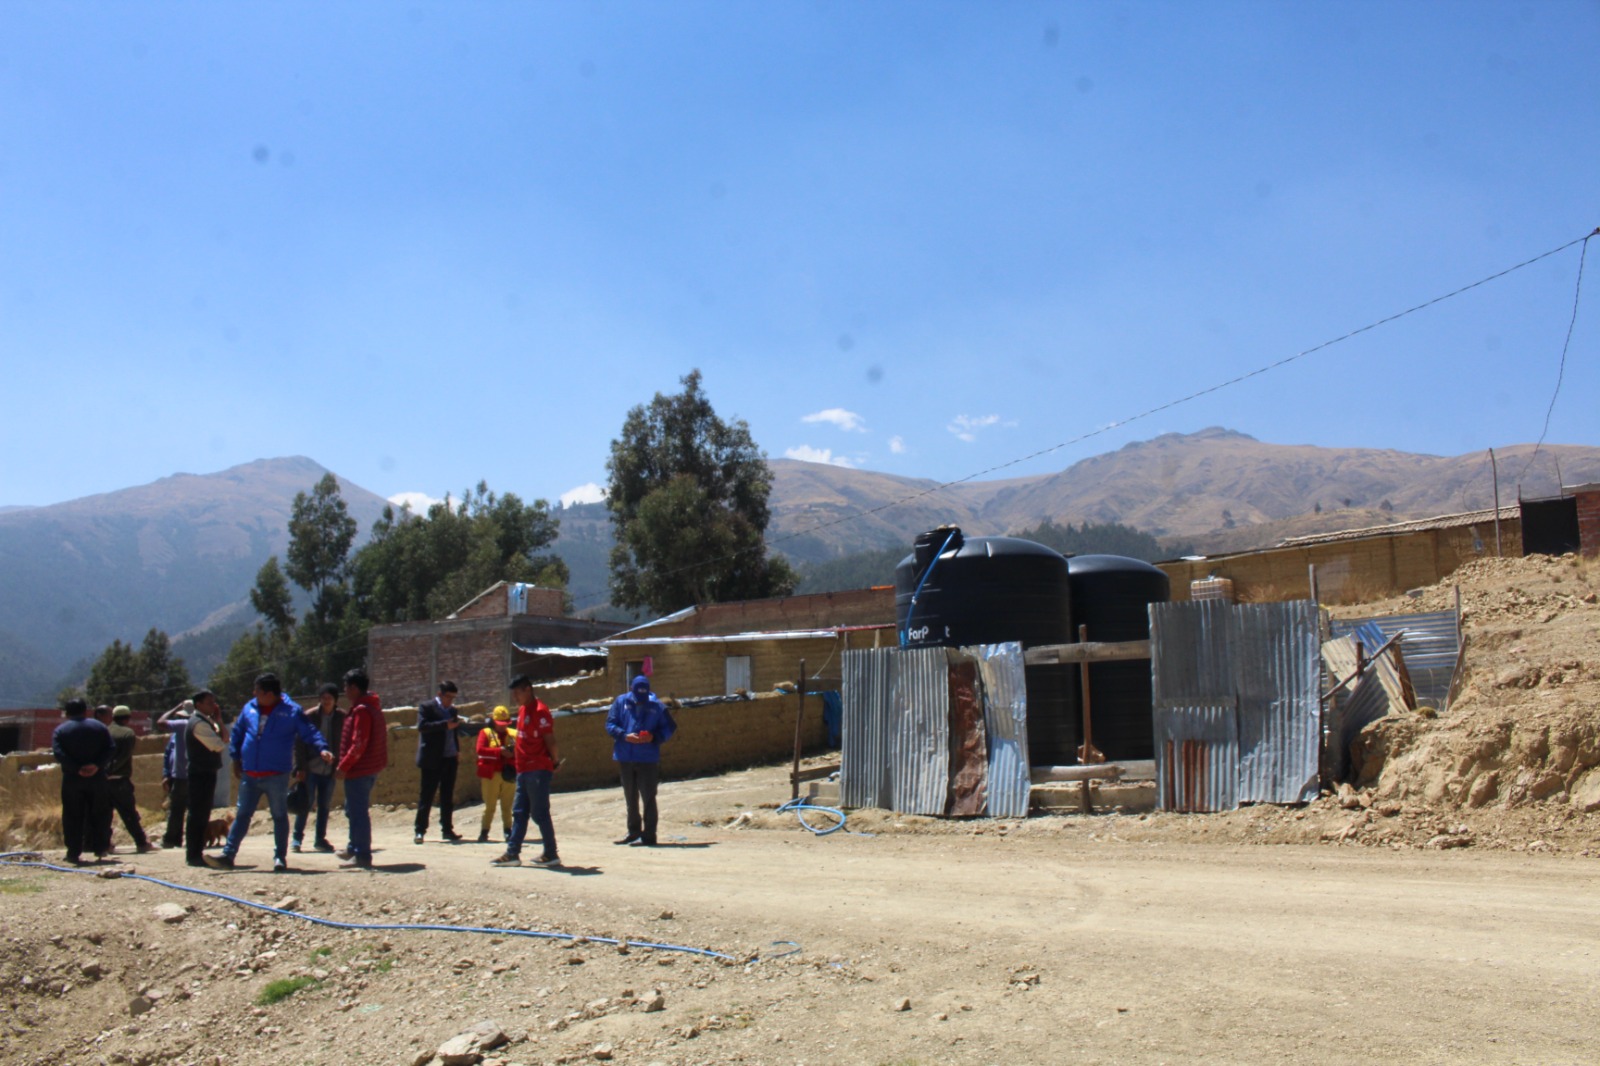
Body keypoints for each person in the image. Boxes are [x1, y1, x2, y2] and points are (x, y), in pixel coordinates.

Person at [209, 674, 331, 873]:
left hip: (276, 775)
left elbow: (309, 731)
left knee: (279, 816)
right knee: (242, 815)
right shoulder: (249, 708)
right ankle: (228, 855)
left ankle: (279, 858)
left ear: (268, 694)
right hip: (250, 775)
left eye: (257, 690)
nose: (253, 694)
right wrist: (236, 758)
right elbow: (238, 734)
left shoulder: (291, 712)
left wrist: (322, 748)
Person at [491, 675, 560, 868]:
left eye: (517, 692)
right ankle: (513, 853)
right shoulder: (522, 711)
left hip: (537, 769)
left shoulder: (540, 711)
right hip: (523, 769)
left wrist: (554, 761)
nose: (514, 696)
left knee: (539, 813)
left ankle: (551, 853)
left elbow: (550, 740)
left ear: (527, 690)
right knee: (520, 812)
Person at [604, 675, 677, 847]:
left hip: (647, 759)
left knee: (649, 798)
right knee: (630, 797)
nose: (640, 700)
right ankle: (633, 831)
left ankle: (649, 835)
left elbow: (670, 727)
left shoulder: (657, 706)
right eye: (638, 696)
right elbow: (610, 724)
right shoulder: (620, 702)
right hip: (625, 756)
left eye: (644, 696)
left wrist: (653, 737)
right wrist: (624, 735)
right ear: (631, 689)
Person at [335, 668, 387, 870]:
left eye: (347, 687)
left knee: (358, 812)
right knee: (352, 809)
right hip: (367, 768)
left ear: (354, 688)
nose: (345, 691)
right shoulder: (370, 707)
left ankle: (362, 854)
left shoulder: (362, 711)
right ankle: (353, 846)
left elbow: (359, 743)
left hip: (360, 769)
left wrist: (344, 765)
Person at [51, 698, 112, 866]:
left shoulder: (61, 730)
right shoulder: (100, 727)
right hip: (97, 778)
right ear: (85, 710)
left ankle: (73, 852)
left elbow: (58, 753)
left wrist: (77, 768)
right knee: (100, 812)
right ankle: (100, 848)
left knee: (72, 815)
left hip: (72, 779)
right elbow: (110, 749)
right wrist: (96, 765)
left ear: (67, 712)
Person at [292, 683, 345, 853]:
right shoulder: (310, 716)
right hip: (311, 768)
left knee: (324, 805)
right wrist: (300, 766)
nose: (326, 701)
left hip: (329, 770)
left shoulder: (342, 717)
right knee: (305, 804)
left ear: (335, 700)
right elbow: (299, 743)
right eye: (323, 698)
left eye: (329, 698)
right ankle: (296, 839)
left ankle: (320, 839)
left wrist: (340, 764)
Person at [101, 704, 157, 854]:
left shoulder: (104, 731)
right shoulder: (127, 733)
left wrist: (103, 772)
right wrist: (111, 770)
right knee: (129, 814)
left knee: (105, 815)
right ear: (127, 718)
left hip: (102, 781)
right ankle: (141, 842)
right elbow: (124, 756)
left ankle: (105, 844)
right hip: (119, 780)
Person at [414, 680, 463, 844]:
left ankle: (447, 829)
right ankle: (420, 830)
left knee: (447, 796)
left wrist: (457, 750)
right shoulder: (426, 707)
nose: (450, 701)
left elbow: (453, 731)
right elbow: (422, 726)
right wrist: (444, 725)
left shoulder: (453, 710)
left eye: (453, 698)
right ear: (440, 694)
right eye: (448, 697)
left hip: (449, 757)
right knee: (427, 795)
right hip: (432, 759)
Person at [183, 690, 228, 867]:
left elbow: (224, 738)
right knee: (197, 814)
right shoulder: (199, 724)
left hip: (206, 772)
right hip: (199, 773)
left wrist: (219, 721)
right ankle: (193, 853)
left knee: (202, 813)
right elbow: (218, 745)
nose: (213, 706)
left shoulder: (207, 722)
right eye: (209, 703)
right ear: (198, 704)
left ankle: (196, 851)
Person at [474, 705, 517, 843]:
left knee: (507, 805)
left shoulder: (513, 733)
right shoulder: (485, 732)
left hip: (508, 773)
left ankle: (508, 831)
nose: (503, 727)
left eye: (505, 724)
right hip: (491, 774)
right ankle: (484, 832)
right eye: (500, 724)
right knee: (490, 806)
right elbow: (480, 750)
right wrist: (499, 751)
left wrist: (511, 753)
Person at [157, 701, 193, 850]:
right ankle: (177, 839)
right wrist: (167, 773)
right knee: (180, 808)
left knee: (178, 809)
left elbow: (160, 722)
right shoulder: (176, 734)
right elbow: (169, 754)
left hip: (183, 775)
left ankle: (171, 839)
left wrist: (175, 707)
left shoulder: (184, 725)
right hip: (178, 774)